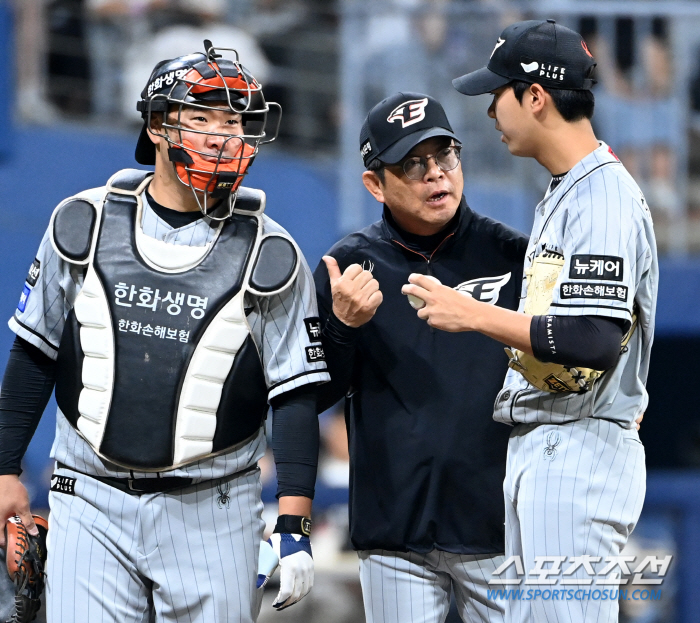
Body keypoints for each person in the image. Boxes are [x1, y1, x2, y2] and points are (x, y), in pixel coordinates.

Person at [0, 41, 328, 622]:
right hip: (89, 496)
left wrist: (295, 523)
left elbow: (296, 395)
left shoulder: (272, 252)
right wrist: (4, 471)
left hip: (214, 506)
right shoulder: (83, 221)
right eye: (203, 117)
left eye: (234, 121)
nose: (224, 136)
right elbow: (34, 353)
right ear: (157, 126)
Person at [402, 20, 657, 623]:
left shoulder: (602, 197)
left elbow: (593, 340)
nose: (490, 108)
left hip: (578, 450)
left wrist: (475, 316)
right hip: (553, 446)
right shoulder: (568, 190)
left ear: (535, 96)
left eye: (499, 92)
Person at [314, 91, 528, 623]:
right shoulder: (348, 266)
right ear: (374, 184)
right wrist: (341, 329)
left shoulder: (513, 255)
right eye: (412, 163)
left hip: (500, 529)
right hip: (395, 536)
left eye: (445, 156)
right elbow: (315, 394)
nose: (436, 175)